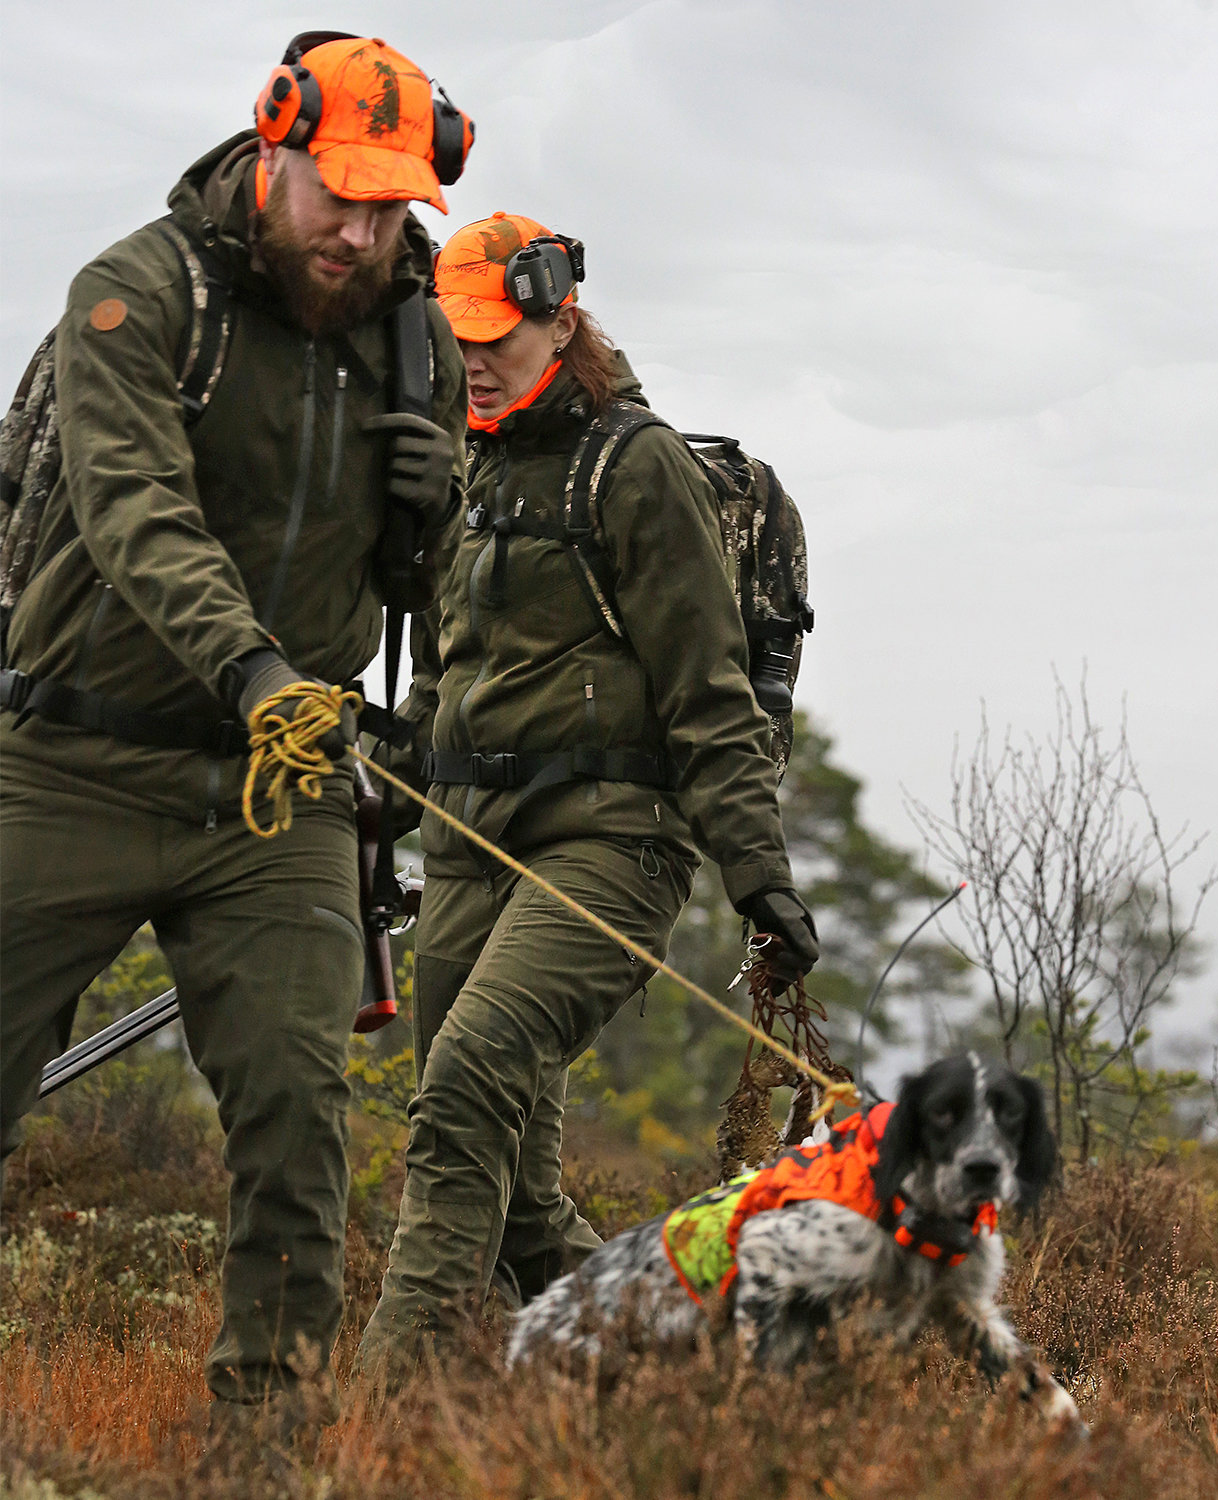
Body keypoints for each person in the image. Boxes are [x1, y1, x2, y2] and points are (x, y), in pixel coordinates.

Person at [0, 33, 470, 1420]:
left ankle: (266, 1444)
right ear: (272, 153)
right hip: (69, 764)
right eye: (340, 196)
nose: (362, 232)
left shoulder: (415, 337)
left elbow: (433, 597)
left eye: (391, 206)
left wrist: (441, 511)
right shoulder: (136, 296)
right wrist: (255, 670)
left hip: (280, 801)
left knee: (298, 1127)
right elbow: (135, 512)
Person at [356, 211, 819, 1378]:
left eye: (494, 333)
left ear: (560, 315)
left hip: (613, 844)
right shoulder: (468, 462)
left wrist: (759, 877)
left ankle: (378, 1423)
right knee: (504, 1186)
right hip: (476, 848)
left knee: (465, 1090)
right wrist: (379, 778)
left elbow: (711, 696)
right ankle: (669, 1375)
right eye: (455, 333)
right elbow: (456, 675)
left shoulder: (637, 465)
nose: (472, 355)